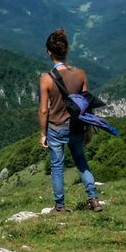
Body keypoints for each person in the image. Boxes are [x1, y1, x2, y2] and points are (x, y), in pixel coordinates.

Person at [38, 27, 102, 212]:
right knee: (81, 161)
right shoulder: (80, 74)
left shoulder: (46, 79)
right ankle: (94, 199)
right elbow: (86, 104)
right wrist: (89, 129)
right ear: (66, 50)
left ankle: (60, 206)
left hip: (55, 127)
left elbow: (43, 110)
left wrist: (43, 134)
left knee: (57, 167)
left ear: (49, 53)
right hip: (76, 126)